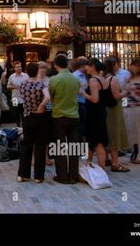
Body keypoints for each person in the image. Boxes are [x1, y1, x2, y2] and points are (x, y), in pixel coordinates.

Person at [48, 54, 80, 184]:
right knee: (74, 146)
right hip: (74, 115)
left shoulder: (55, 79)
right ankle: (74, 175)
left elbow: (51, 96)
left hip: (59, 115)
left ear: (56, 65)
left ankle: (62, 175)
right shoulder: (75, 78)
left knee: (60, 147)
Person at [17, 62, 50, 183]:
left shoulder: (22, 84)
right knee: (40, 146)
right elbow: (47, 97)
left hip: (27, 117)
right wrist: (41, 107)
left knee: (27, 145)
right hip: (40, 117)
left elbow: (23, 98)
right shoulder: (41, 85)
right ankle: (38, 176)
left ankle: (23, 174)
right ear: (37, 71)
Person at [104, 57, 130, 172]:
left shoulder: (103, 77)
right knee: (114, 134)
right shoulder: (113, 79)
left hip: (107, 109)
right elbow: (116, 96)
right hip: (114, 109)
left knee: (108, 133)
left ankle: (106, 158)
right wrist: (126, 92)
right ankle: (115, 163)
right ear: (113, 65)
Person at [82, 58, 108, 169]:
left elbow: (95, 99)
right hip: (101, 112)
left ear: (92, 66)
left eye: (87, 65)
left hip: (94, 114)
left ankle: (101, 169)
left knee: (97, 142)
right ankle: (89, 163)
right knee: (93, 140)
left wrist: (83, 93)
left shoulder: (93, 81)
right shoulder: (103, 79)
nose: (86, 68)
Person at [37, 61, 53, 166]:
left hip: (48, 109)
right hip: (37, 109)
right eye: (40, 68)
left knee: (47, 134)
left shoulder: (50, 80)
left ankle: (46, 156)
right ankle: (36, 156)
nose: (42, 70)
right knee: (37, 134)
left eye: (44, 68)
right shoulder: (34, 80)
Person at [7, 61, 29, 127]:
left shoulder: (26, 75)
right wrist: (15, 87)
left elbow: (29, 85)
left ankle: (24, 128)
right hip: (15, 98)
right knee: (16, 114)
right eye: (17, 67)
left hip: (24, 98)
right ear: (14, 68)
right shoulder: (11, 76)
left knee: (24, 114)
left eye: (20, 67)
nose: (19, 68)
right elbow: (8, 87)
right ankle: (18, 128)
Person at [73, 57, 89, 142]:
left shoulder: (83, 75)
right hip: (78, 102)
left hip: (83, 101)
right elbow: (78, 90)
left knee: (82, 125)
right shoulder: (76, 76)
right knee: (80, 126)